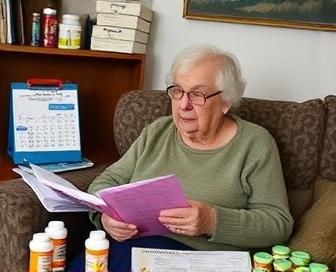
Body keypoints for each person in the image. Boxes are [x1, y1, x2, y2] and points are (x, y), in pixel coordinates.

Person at [67, 44, 293, 271]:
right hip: (133, 248)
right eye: (177, 91)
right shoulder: (157, 132)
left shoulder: (255, 144)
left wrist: (211, 221)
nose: (183, 104)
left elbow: (278, 223)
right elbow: (105, 182)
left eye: (197, 94)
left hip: (204, 259)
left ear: (226, 102)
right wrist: (105, 217)